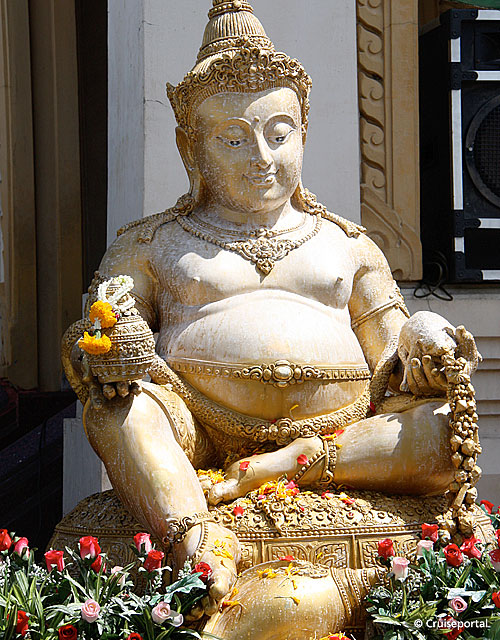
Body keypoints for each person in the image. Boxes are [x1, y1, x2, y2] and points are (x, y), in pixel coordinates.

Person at [71, 0, 479, 617]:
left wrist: (425, 332)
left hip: (345, 438)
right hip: (198, 432)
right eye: (234, 139)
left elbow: (394, 343)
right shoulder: (150, 244)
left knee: (449, 423)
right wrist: (107, 350)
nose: (262, 156)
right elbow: (96, 332)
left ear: (303, 135)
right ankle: (197, 542)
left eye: (279, 134)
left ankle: (288, 467)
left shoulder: (347, 245)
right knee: (115, 409)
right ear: (190, 148)